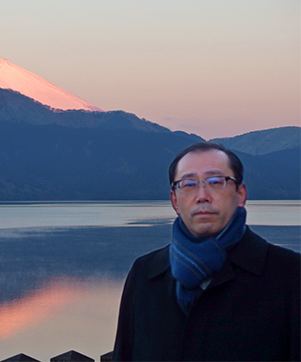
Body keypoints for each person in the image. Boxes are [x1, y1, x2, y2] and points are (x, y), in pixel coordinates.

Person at [112, 142, 300, 361]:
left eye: (215, 182)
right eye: (189, 184)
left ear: (240, 194)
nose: (202, 195)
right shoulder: (145, 273)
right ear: (175, 200)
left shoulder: (289, 274)